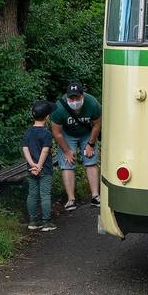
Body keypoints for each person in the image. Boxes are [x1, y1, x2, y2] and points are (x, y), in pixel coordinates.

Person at [50, 80, 102, 211]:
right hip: (67, 134)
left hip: (87, 133)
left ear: (82, 96)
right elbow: (57, 133)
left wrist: (91, 144)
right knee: (67, 163)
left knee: (91, 161)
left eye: (76, 97)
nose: (74, 100)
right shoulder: (59, 108)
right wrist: (67, 151)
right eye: (71, 97)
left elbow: (97, 125)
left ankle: (95, 196)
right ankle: (71, 199)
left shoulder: (93, 104)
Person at [22, 100, 57, 231]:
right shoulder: (46, 133)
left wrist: (32, 165)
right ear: (47, 117)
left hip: (31, 169)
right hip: (45, 169)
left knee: (32, 194)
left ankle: (32, 221)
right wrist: (40, 166)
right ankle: (46, 222)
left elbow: (25, 149)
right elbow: (45, 150)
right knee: (45, 194)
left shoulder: (28, 132)